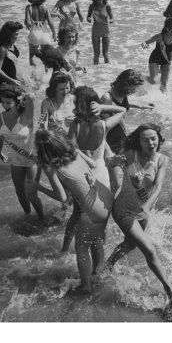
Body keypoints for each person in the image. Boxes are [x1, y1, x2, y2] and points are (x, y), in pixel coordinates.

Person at [106, 123, 172, 310]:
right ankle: (170, 291)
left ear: (159, 139)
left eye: (153, 138)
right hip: (123, 210)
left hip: (142, 212)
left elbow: (158, 187)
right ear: (138, 141)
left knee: (130, 244)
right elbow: (110, 163)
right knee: (149, 250)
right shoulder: (131, 154)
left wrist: (146, 206)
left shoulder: (162, 160)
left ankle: (107, 265)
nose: (150, 142)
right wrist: (115, 165)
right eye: (145, 139)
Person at [34, 129, 114, 294]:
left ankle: (86, 286)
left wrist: (38, 187)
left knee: (82, 247)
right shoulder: (75, 153)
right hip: (105, 198)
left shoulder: (52, 168)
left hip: (93, 210)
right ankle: (98, 273)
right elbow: (94, 164)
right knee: (96, 240)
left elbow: (62, 197)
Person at [58, 86, 128, 254]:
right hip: (101, 175)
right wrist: (103, 107)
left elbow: (71, 150)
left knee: (76, 215)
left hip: (82, 175)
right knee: (101, 218)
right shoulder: (104, 125)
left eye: (74, 101)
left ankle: (65, 249)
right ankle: (100, 253)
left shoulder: (76, 125)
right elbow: (123, 110)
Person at [100, 69, 155, 192]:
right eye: (132, 88)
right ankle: (110, 208)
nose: (133, 91)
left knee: (136, 176)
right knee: (116, 183)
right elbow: (100, 127)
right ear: (124, 84)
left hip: (122, 140)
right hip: (109, 143)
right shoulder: (106, 97)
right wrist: (107, 151)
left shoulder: (122, 94)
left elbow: (122, 106)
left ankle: (132, 204)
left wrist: (141, 106)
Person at [0, 84, 44, 218]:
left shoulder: (26, 115)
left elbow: (32, 96)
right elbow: (1, 134)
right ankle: (28, 216)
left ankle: (41, 219)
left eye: (9, 102)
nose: (5, 105)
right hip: (15, 160)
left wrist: (22, 95)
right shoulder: (0, 117)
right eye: (3, 102)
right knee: (19, 192)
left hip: (32, 160)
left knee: (32, 194)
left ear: (17, 102)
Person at [141, 18, 172, 93]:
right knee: (154, 81)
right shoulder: (159, 36)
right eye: (170, 28)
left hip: (166, 60)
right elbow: (146, 42)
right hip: (155, 58)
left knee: (164, 85)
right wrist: (144, 44)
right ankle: (142, 78)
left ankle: (162, 101)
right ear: (166, 28)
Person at [24, 0, 56, 71]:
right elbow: (50, 22)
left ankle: (33, 76)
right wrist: (54, 33)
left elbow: (27, 22)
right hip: (45, 33)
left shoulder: (29, 7)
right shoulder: (45, 7)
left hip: (34, 33)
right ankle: (46, 75)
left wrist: (28, 21)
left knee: (31, 56)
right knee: (45, 56)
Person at [40, 72, 76, 137]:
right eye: (61, 89)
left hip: (72, 141)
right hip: (56, 143)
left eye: (67, 88)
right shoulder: (46, 103)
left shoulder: (74, 100)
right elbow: (43, 126)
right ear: (54, 89)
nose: (65, 91)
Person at [0, 21, 23, 88]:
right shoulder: (3, 49)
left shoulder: (10, 44)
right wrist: (12, 81)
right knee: (28, 97)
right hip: (4, 82)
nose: (17, 37)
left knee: (26, 97)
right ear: (9, 34)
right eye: (16, 34)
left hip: (12, 78)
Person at [87, 0, 114, 65]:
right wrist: (89, 19)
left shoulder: (107, 6)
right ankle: (95, 72)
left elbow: (112, 18)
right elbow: (88, 17)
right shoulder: (92, 6)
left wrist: (110, 21)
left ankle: (108, 71)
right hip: (95, 31)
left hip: (105, 31)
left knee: (105, 53)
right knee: (96, 54)